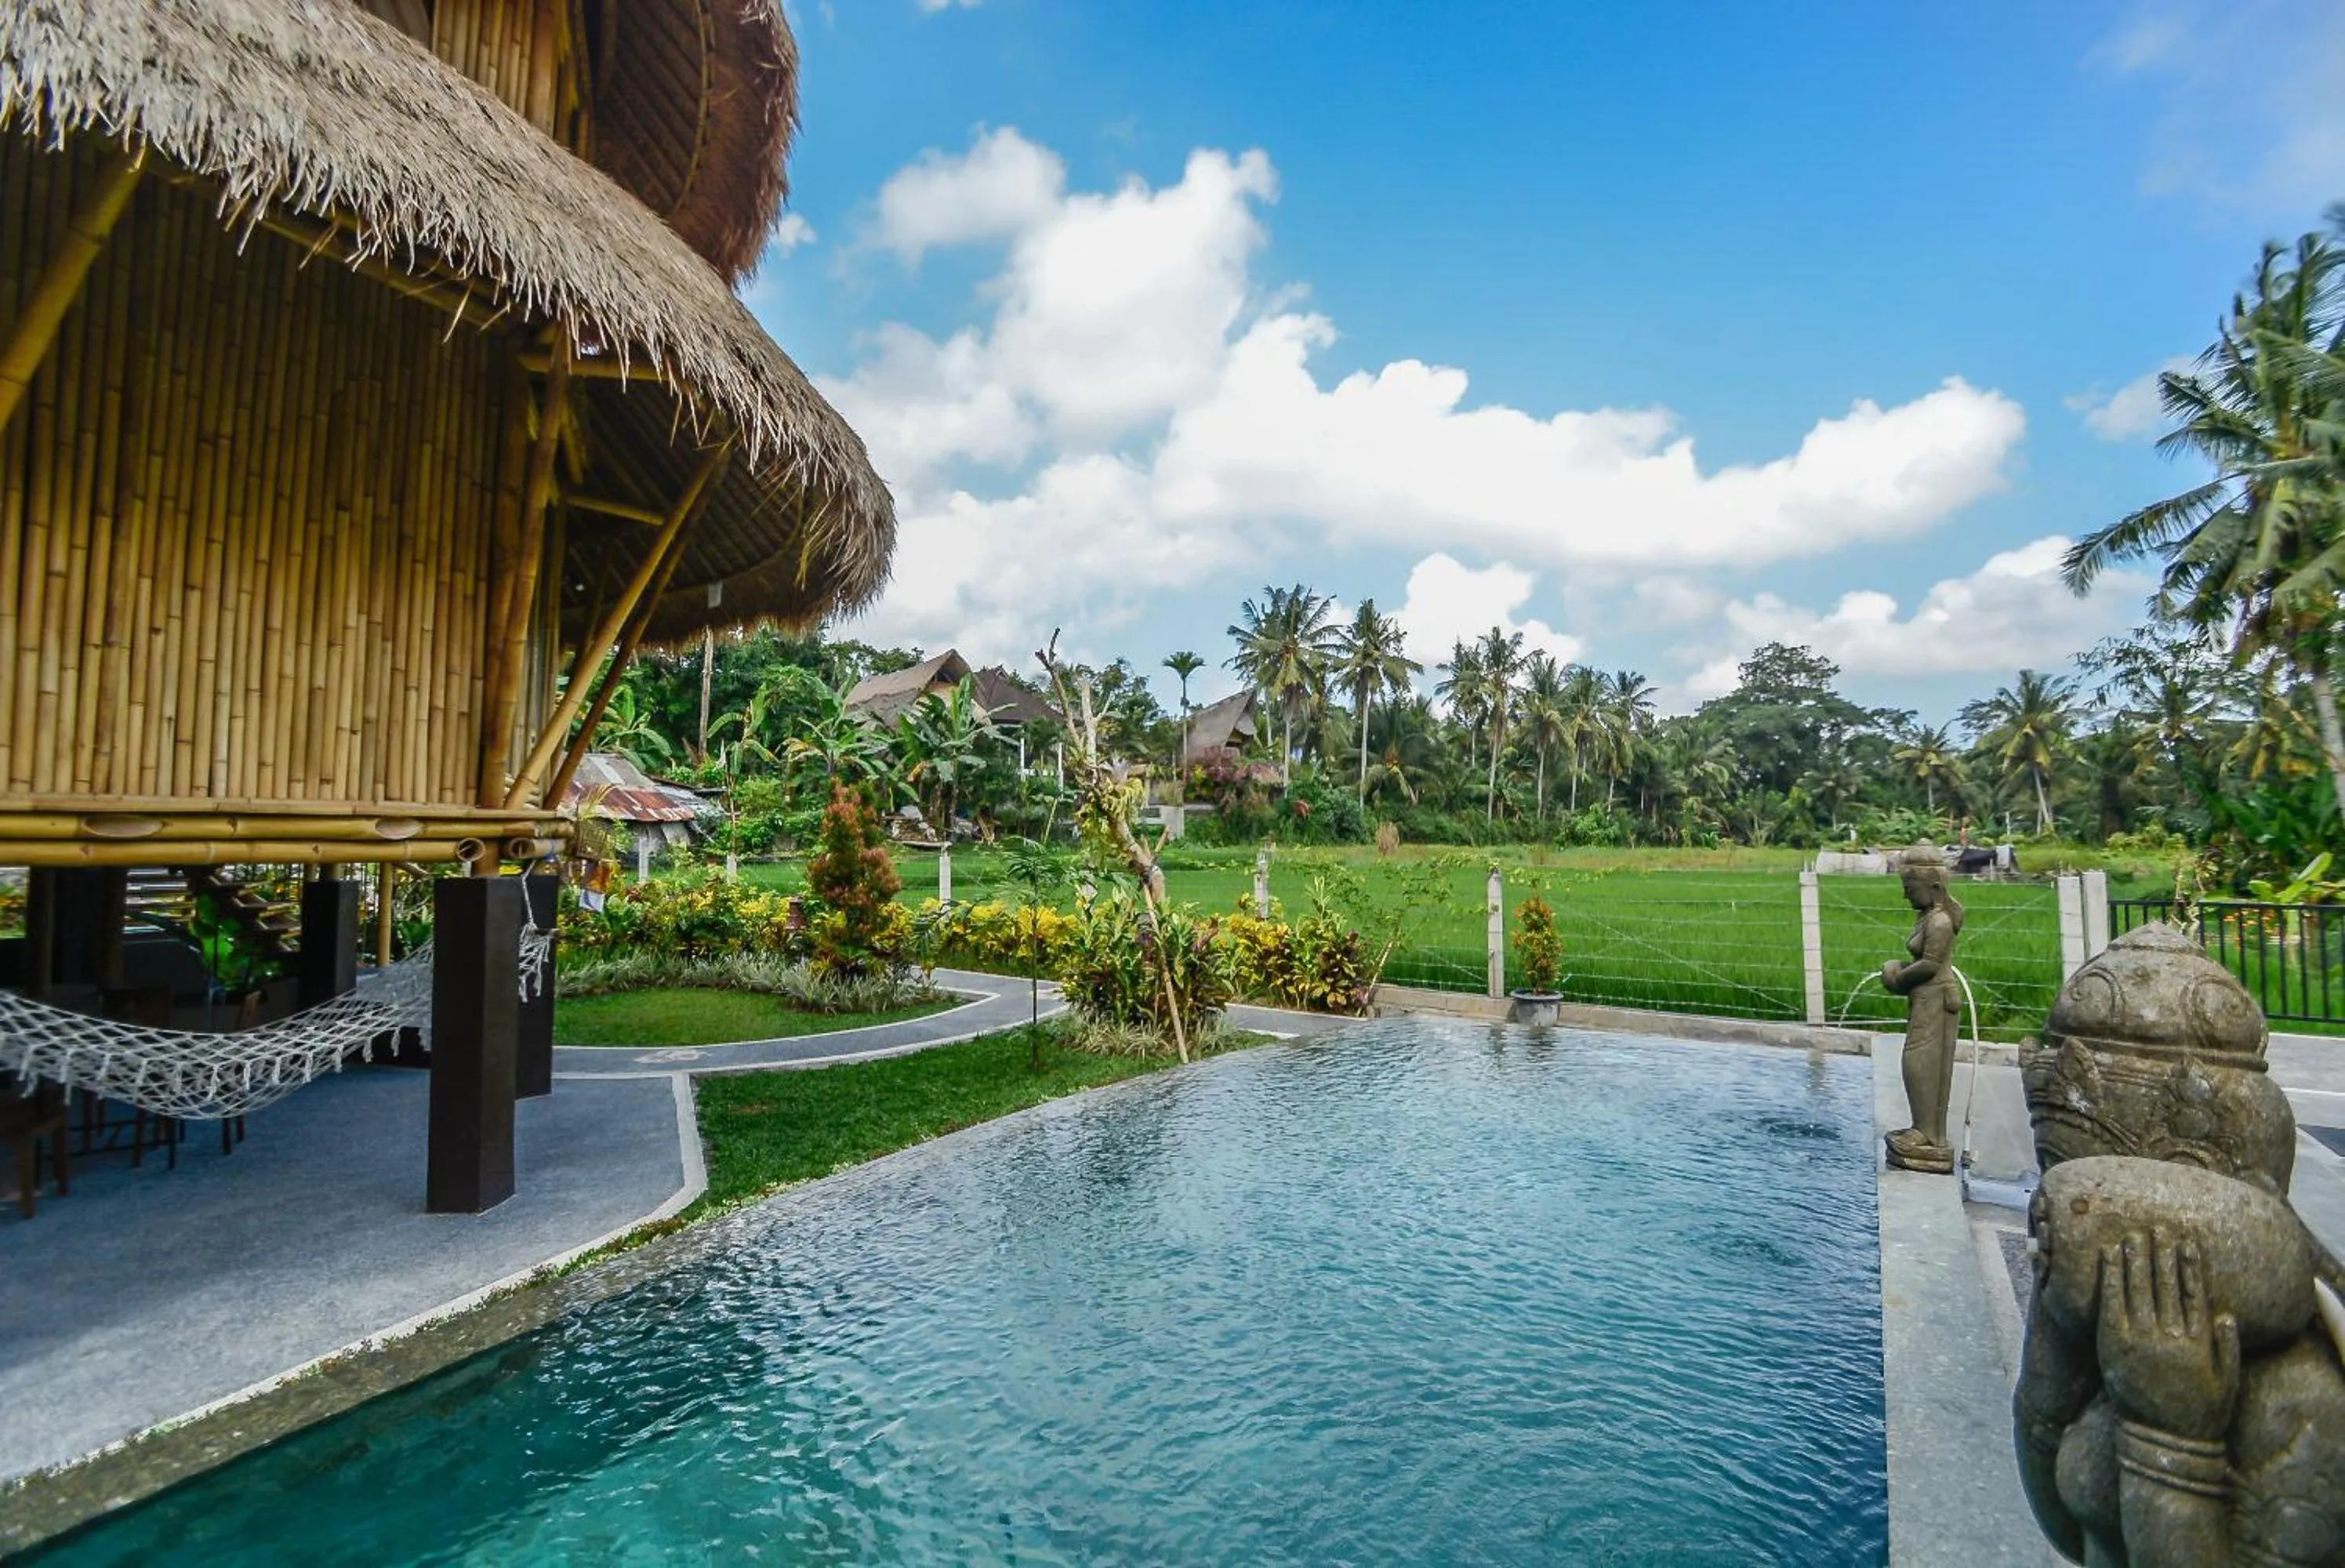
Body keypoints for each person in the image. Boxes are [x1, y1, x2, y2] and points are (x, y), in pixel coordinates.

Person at [1882, 845, 1963, 1174]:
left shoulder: (1940, 921)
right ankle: (1922, 1127)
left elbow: (1930, 965)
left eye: (1910, 889)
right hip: (1924, 999)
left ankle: (1929, 1135)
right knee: (1917, 1064)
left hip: (1935, 1000)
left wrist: (1897, 977)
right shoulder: (1928, 916)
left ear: (1934, 887)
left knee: (1923, 1064)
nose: (1906, 896)